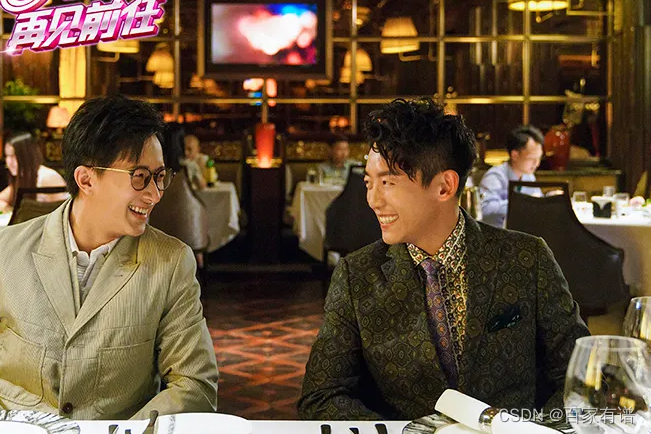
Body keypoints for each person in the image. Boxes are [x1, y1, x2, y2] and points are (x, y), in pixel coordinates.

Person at [298, 98, 589, 420]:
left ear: (444, 186)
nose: (373, 200)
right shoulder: (357, 275)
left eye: (388, 182)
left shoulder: (526, 258)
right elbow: (321, 395)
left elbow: (582, 379)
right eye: (369, 182)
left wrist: (531, 430)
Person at [0, 95, 218, 419]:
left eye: (160, 177)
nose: (155, 194)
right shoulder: (6, 251)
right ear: (86, 179)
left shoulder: (170, 263)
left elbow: (195, 384)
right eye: (140, 177)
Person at [479, 125, 545, 228]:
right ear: (515, 155)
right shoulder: (495, 176)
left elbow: (537, 203)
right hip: (497, 233)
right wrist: (523, 202)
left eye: (539, 158)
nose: (537, 163)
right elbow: (485, 209)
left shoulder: (529, 176)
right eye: (532, 158)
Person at [0, 132, 68, 211]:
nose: (9, 162)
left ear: (26, 155)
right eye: (7, 156)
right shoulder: (22, 177)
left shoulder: (47, 177)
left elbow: (63, 212)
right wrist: (8, 209)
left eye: (13, 156)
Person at [165, 124, 207, 191]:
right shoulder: (190, 164)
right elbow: (202, 186)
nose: (186, 152)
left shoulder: (161, 164)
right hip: (184, 197)